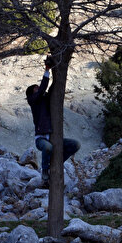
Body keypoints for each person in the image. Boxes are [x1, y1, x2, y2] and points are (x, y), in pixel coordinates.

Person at [26, 56, 80, 185]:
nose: (38, 88)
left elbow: (50, 90)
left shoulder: (43, 100)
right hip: (41, 139)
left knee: (75, 145)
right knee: (48, 147)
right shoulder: (33, 100)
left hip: (52, 137)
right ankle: (45, 171)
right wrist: (47, 70)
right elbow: (43, 88)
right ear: (31, 94)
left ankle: (55, 163)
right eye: (36, 88)